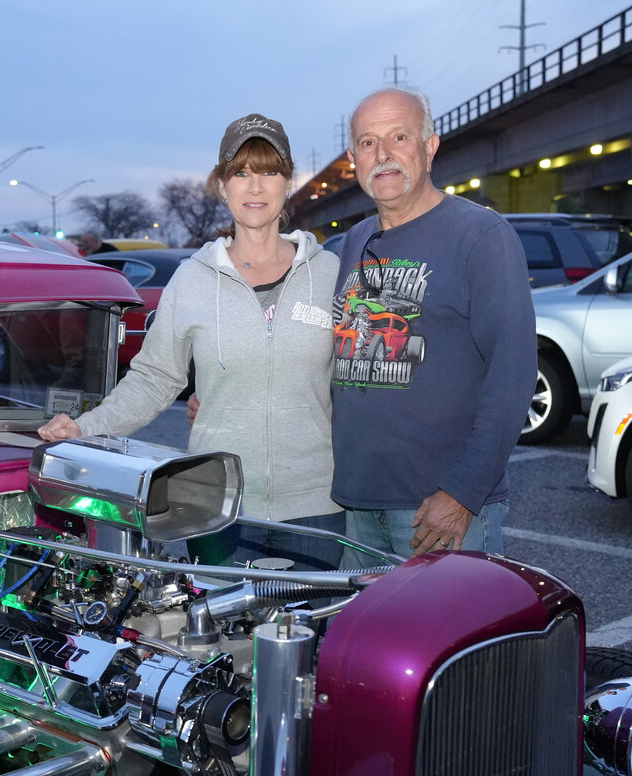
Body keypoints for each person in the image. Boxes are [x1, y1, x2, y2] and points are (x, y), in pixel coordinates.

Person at [39, 114, 342, 571]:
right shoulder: (192, 280)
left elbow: (361, 381)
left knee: (309, 638)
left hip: (316, 505)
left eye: (269, 171)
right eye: (240, 173)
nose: (255, 187)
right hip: (217, 506)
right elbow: (154, 378)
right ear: (221, 185)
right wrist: (86, 427)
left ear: (287, 182)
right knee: (221, 641)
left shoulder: (329, 274)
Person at [329, 87, 535, 566]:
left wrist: (462, 494)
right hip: (358, 508)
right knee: (362, 643)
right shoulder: (352, 243)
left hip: (437, 511)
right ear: (353, 158)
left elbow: (513, 374)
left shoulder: (481, 235)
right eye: (367, 143)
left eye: (399, 137)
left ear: (429, 145)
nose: (383, 155)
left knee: (449, 642)